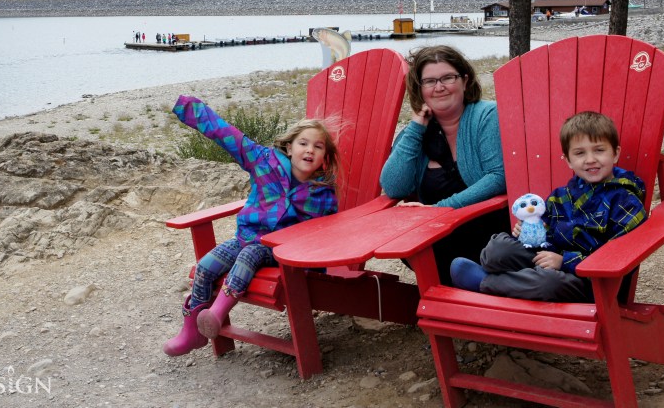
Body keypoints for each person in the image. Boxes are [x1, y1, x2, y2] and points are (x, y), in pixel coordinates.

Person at [163, 95, 340, 356]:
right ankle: (193, 332)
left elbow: (327, 233)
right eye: (303, 143)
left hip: (282, 253)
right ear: (289, 147)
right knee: (205, 266)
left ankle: (216, 313)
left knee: (251, 254)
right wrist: (190, 108)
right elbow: (228, 136)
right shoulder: (263, 161)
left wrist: (315, 267)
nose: (310, 150)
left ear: (325, 155)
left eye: (318, 146)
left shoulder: (321, 193)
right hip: (246, 237)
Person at [449, 111, 647, 302]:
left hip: (590, 283)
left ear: (615, 153)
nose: (590, 159)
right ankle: (514, 282)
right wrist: (526, 231)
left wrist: (565, 261)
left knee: (548, 282)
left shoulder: (625, 201)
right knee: (498, 249)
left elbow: (618, 258)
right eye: (580, 153)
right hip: (550, 260)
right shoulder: (561, 196)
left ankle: (485, 282)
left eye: (599, 150)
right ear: (568, 160)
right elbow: (543, 236)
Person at [379, 45, 508, 285]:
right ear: (420, 89)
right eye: (429, 81)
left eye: (448, 77)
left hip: (490, 236)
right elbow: (394, 187)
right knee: (407, 242)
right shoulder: (416, 133)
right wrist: (416, 127)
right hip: (438, 236)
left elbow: (497, 176)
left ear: (465, 81)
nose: (439, 87)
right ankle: (473, 286)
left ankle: (481, 285)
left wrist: (439, 209)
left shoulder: (486, 116)